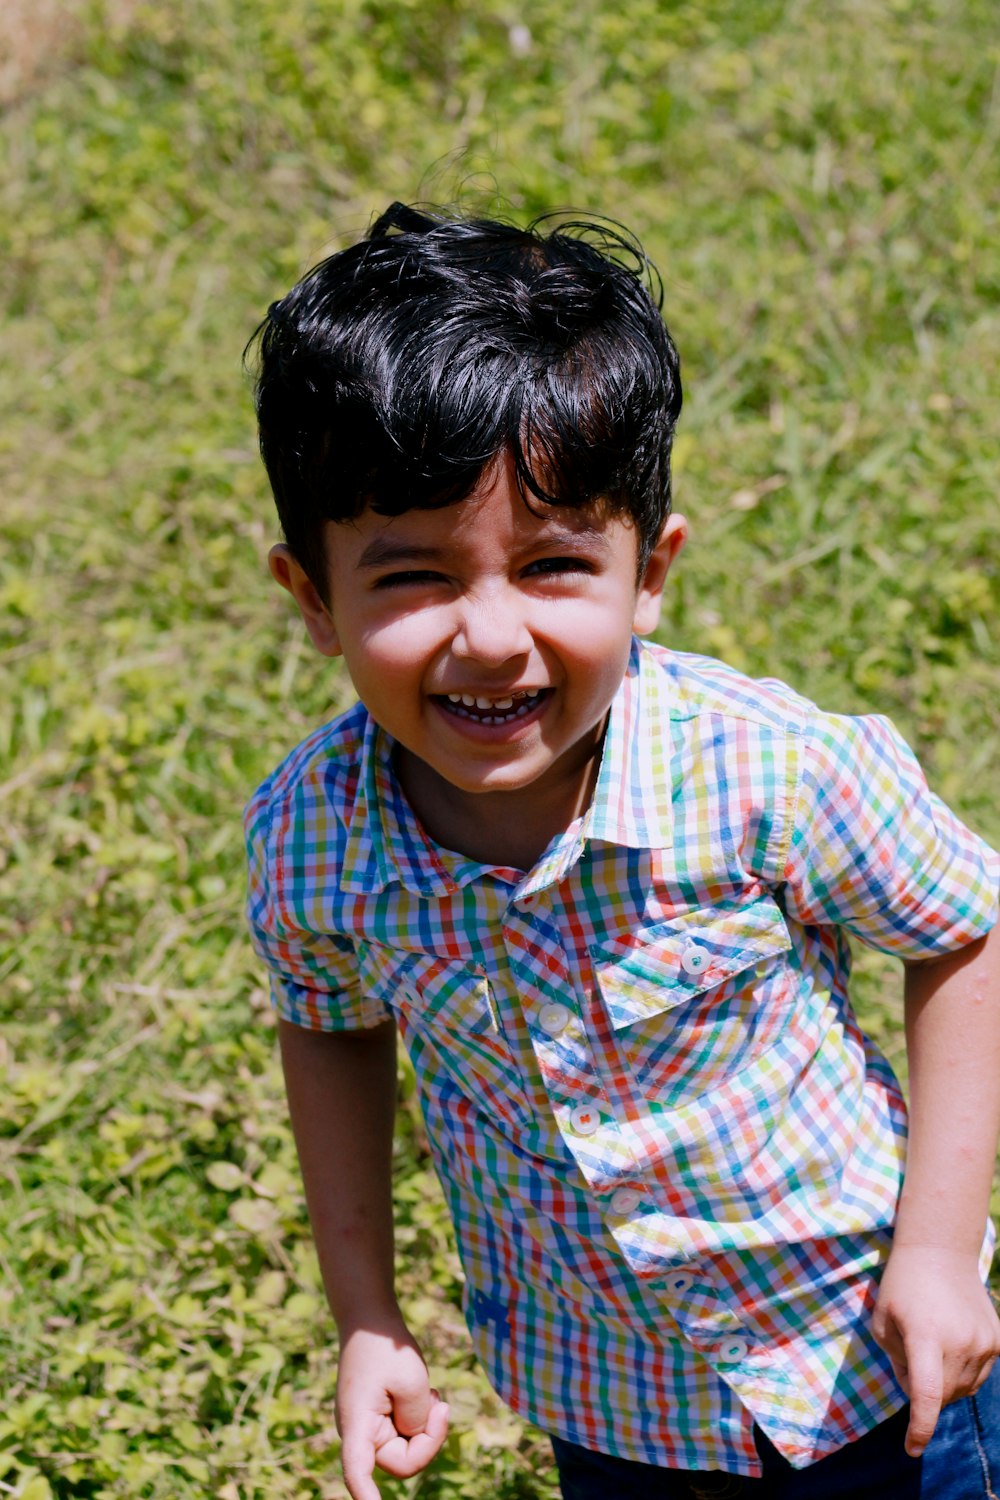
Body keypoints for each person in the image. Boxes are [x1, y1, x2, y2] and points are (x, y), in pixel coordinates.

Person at [243, 201, 1000, 1499]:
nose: (489, 634)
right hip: (614, 1408)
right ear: (313, 599)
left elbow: (965, 931)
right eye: (413, 576)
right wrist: (367, 1315)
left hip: (874, 1361)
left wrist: (934, 1250)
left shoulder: (766, 766)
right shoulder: (317, 838)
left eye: (551, 564)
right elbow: (328, 1022)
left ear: (648, 570)